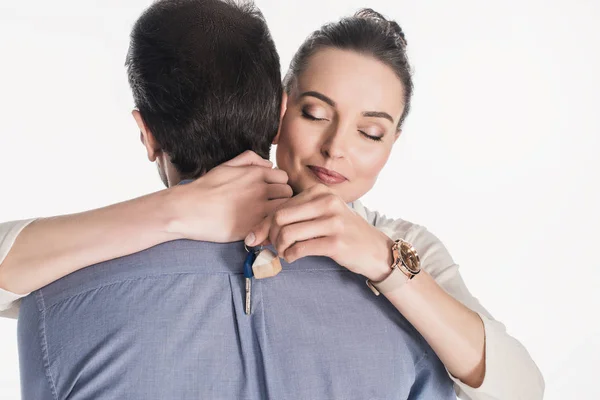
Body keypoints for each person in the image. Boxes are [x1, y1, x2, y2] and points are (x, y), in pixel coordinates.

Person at [0, 2, 544, 400]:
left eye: (371, 133)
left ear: (394, 143)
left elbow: (521, 389)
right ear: (278, 109)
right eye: (315, 113)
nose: (335, 148)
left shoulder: (407, 247)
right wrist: (174, 213)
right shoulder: (104, 261)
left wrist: (383, 261)